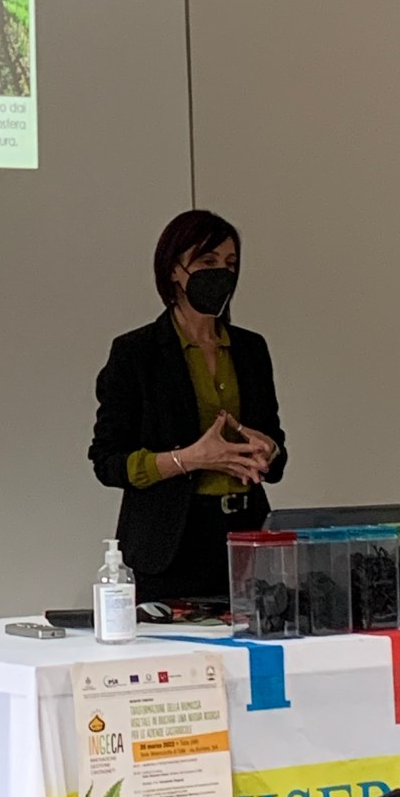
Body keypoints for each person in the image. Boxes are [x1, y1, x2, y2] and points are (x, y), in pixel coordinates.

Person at [89, 210, 287, 603]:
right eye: (207, 261)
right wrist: (189, 459)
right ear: (174, 271)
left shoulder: (250, 349)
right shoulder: (136, 353)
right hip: (169, 544)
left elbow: (275, 446)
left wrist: (269, 450)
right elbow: (107, 461)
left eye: (230, 264)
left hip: (246, 538)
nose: (222, 274)